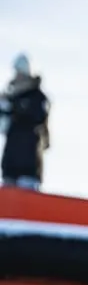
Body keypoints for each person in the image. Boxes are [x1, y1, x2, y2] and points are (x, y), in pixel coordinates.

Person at [0, 54, 50, 189]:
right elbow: (3, 126)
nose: (17, 76)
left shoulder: (37, 98)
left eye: (20, 72)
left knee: (26, 202)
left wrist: (16, 109)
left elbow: (38, 118)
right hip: (10, 165)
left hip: (29, 166)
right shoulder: (11, 97)